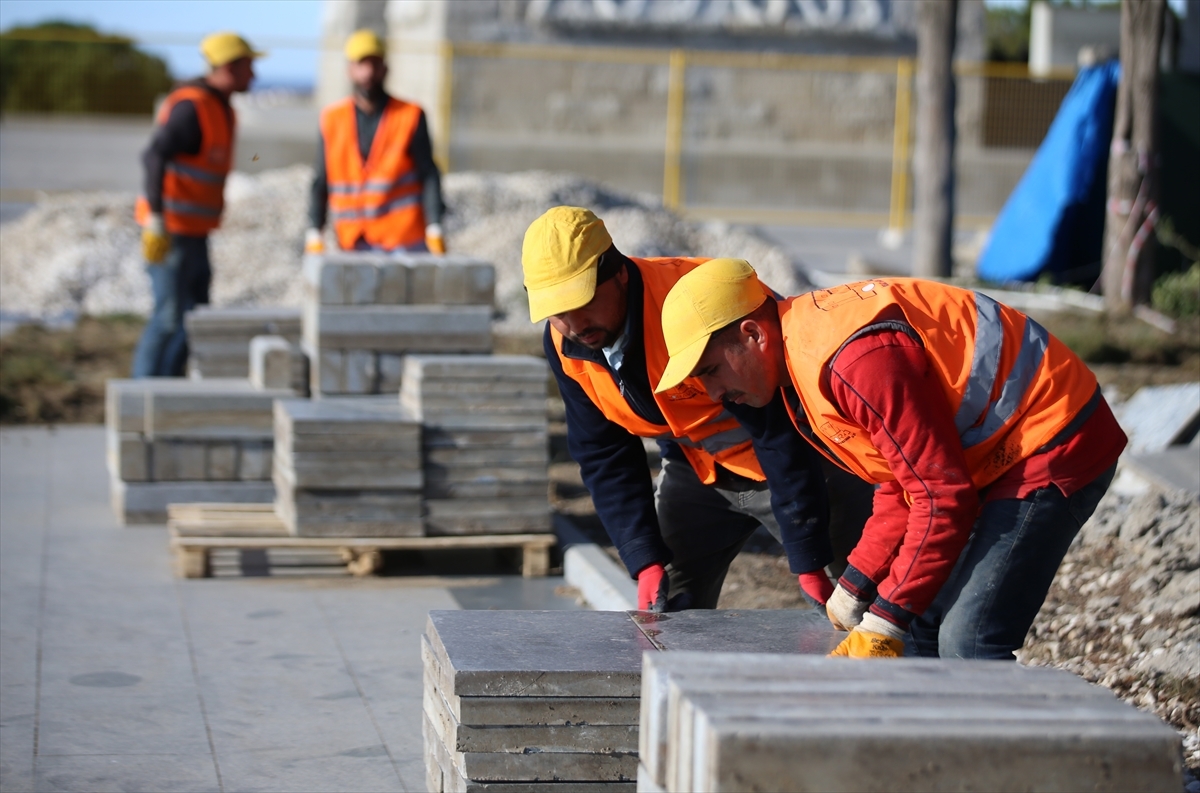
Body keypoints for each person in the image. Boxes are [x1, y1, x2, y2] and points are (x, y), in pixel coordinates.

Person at [655, 259, 1127, 658]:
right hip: (1001, 448)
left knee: (970, 639)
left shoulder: (854, 362)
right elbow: (900, 482)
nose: (714, 393)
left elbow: (941, 496)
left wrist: (886, 618)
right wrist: (857, 584)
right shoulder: (804, 363)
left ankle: (994, 765)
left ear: (753, 333)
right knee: (919, 624)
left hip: (1052, 437)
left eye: (712, 370)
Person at [523, 207, 872, 612]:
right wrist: (645, 558)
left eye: (582, 302)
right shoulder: (567, 345)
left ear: (618, 272)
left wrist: (809, 556)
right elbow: (602, 451)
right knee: (667, 609)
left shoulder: (696, 302)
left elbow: (779, 426)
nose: (573, 323)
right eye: (558, 311)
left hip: (804, 460)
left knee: (856, 605)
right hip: (701, 470)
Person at [132, 32, 262, 377]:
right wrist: (156, 218)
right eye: (249, 67)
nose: (255, 75)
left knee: (194, 316)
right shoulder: (193, 106)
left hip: (195, 232)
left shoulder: (220, 107)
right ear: (229, 67)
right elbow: (154, 156)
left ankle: (169, 393)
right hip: (170, 231)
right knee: (168, 317)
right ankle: (141, 398)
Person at [305, 29, 445, 256]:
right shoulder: (332, 119)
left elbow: (429, 174)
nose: (368, 72)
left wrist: (435, 227)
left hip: (404, 241)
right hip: (352, 241)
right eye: (362, 64)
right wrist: (314, 232)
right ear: (349, 70)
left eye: (374, 64)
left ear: (385, 68)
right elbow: (321, 180)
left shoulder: (410, 115)